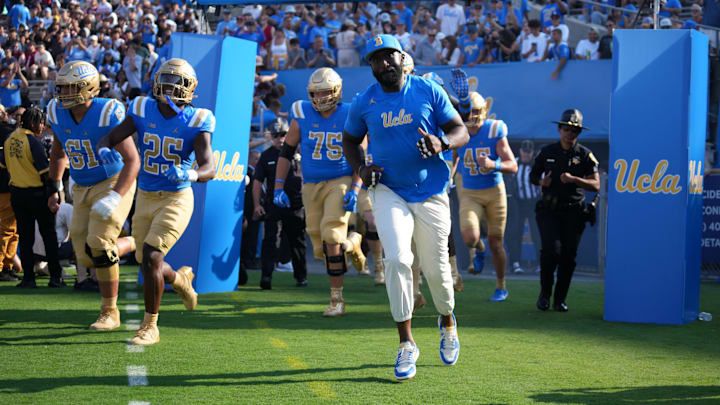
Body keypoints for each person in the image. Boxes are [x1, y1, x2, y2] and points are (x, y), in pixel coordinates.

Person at [342, 34, 469, 380]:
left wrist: (441, 142)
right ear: (369, 65)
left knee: (436, 269)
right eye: (375, 59)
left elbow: (460, 130)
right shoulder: (363, 101)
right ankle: (406, 343)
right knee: (397, 259)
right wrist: (362, 169)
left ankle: (446, 321)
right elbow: (350, 140)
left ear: (402, 57)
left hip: (430, 189)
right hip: (387, 190)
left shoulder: (427, 89)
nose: (382, 64)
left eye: (388, 56)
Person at [97, 58, 215, 345]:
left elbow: (209, 167)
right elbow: (109, 138)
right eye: (167, 80)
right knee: (147, 262)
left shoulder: (198, 119)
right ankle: (180, 280)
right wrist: (104, 151)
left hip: (176, 197)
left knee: (150, 256)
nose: (171, 88)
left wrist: (188, 172)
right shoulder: (141, 108)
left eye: (178, 83)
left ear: (190, 89)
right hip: (146, 195)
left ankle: (150, 326)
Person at [46, 61, 139, 330]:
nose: (62, 94)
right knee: (85, 255)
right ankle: (138, 241)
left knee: (99, 242)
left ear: (88, 89)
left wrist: (115, 196)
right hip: (81, 185)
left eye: (69, 88)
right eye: (61, 88)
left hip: (112, 179)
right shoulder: (56, 112)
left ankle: (109, 311)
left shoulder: (107, 113)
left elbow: (133, 160)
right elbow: (58, 151)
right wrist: (55, 186)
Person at [274, 67, 366, 317]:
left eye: (325, 92)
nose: (320, 98)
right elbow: (287, 151)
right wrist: (278, 185)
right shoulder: (301, 112)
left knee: (332, 237)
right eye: (315, 93)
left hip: (340, 179)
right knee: (320, 247)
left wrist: (356, 187)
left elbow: (360, 155)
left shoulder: (349, 113)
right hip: (311, 184)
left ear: (336, 91)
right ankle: (353, 243)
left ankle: (337, 300)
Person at [529, 109, 599, 312]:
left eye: (575, 130)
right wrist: (542, 181)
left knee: (568, 256)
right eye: (567, 129)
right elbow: (533, 176)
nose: (570, 134)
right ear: (559, 129)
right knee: (550, 252)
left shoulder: (585, 155)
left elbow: (596, 185)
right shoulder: (547, 151)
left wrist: (575, 179)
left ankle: (560, 299)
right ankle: (544, 295)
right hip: (549, 209)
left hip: (574, 212)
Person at [453, 91, 517, 302]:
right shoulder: (458, 129)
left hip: (493, 191)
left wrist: (493, 164)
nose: (471, 116)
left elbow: (513, 165)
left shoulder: (493, 130)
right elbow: (453, 157)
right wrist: (448, 178)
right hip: (470, 192)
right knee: (470, 238)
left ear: (484, 112)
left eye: (476, 111)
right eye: (468, 111)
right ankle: (479, 249)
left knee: (496, 242)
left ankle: (501, 286)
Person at [1, 107, 64, 288]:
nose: (43, 126)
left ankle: (28, 278)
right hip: (38, 194)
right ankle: (55, 276)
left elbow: (3, 165)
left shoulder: (9, 139)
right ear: (34, 123)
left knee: (26, 238)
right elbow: (46, 172)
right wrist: (54, 194)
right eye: (41, 122)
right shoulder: (32, 141)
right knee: (48, 236)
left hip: (17, 195)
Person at [253, 117, 307, 289]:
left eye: (284, 134)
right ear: (271, 136)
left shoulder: (300, 152)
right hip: (274, 205)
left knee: (297, 241)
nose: (280, 138)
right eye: (276, 135)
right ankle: (266, 276)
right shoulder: (266, 156)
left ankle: (301, 277)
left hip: (297, 205)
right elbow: (257, 182)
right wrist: (257, 205)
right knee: (270, 240)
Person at [507, 140, 541, 274]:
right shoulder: (514, 162)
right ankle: (515, 263)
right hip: (518, 203)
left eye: (529, 152)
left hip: (534, 202)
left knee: (538, 232)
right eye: (524, 151)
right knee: (515, 232)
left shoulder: (537, 165)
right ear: (520, 151)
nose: (526, 154)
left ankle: (541, 264)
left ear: (532, 153)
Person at [0, 104, 19, 282]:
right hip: (6, 186)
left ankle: (8, 265)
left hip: (8, 186)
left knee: (11, 230)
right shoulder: (7, 132)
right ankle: (3, 267)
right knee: (8, 230)